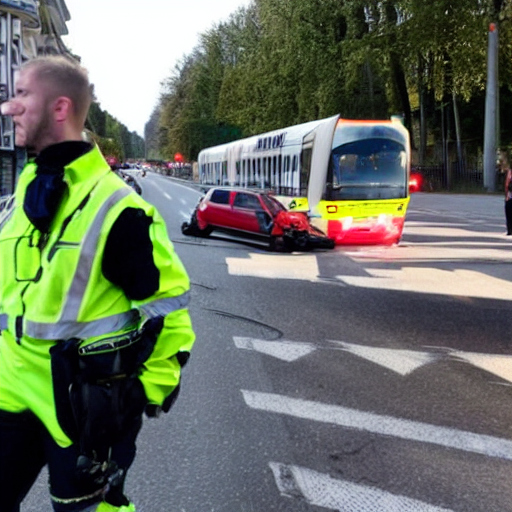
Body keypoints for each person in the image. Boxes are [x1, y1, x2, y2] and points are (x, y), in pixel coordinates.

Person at [0, 56, 195, 511]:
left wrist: (146, 392)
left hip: (83, 405)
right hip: (9, 392)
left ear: (60, 108)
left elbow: (170, 308)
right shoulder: (17, 200)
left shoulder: (118, 209)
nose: (10, 108)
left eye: (22, 94)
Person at [503, 151, 512, 235]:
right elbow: (507, 184)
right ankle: (509, 229)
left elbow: (507, 184)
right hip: (510, 196)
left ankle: (510, 230)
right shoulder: (510, 172)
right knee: (509, 212)